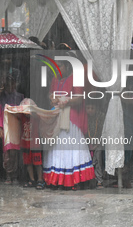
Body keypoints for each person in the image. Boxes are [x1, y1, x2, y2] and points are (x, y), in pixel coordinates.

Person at [43, 57, 95, 190]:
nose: (57, 69)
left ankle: (74, 180)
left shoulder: (75, 78)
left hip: (71, 120)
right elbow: (50, 94)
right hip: (57, 117)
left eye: (60, 66)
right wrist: (52, 98)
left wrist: (66, 101)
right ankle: (57, 180)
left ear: (67, 66)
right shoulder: (55, 79)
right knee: (57, 148)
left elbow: (79, 98)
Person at [0, 74, 24, 184]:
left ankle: (15, 175)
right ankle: (8, 174)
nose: (10, 86)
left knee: (15, 152)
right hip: (6, 127)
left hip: (16, 126)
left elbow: (23, 111)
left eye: (11, 83)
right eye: (7, 84)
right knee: (7, 152)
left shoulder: (20, 97)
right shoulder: (1, 98)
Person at [19, 98, 45, 190]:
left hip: (35, 144)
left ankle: (40, 180)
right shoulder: (21, 116)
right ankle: (32, 179)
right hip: (25, 143)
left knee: (38, 162)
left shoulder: (36, 117)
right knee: (28, 162)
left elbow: (43, 115)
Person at [85, 98, 105, 188]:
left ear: (96, 108)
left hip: (99, 142)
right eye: (88, 108)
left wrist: (97, 144)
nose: (90, 110)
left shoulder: (100, 117)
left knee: (98, 159)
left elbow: (103, 132)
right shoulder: (84, 118)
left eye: (92, 108)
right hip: (87, 143)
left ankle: (99, 179)